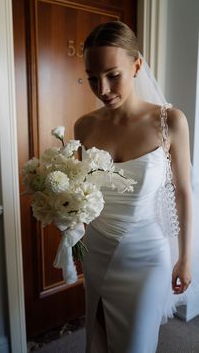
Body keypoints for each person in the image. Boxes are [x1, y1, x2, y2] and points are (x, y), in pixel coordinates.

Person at [74, 21, 192, 353]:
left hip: (146, 258)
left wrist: (185, 257)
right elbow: (83, 193)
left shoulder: (171, 121)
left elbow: (184, 192)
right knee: (99, 339)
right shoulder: (83, 126)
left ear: (137, 65)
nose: (103, 88)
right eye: (93, 77)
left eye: (113, 75)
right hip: (96, 250)